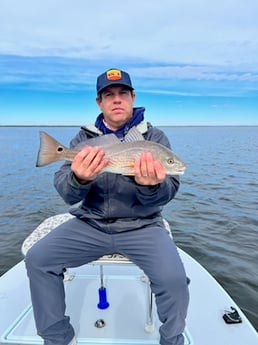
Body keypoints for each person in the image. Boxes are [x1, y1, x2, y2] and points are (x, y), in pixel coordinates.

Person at [25, 68, 189, 345]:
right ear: (99, 102)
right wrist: (79, 178)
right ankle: (57, 338)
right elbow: (67, 194)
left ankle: (172, 340)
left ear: (132, 97)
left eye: (122, 93)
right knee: (38, 260)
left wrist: (150, 186)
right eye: (108, 95)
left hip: (143, 226)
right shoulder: (84, 139)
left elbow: (167, 193)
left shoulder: (155, 138)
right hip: (90, 223)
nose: (116, 99)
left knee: (174, 280)